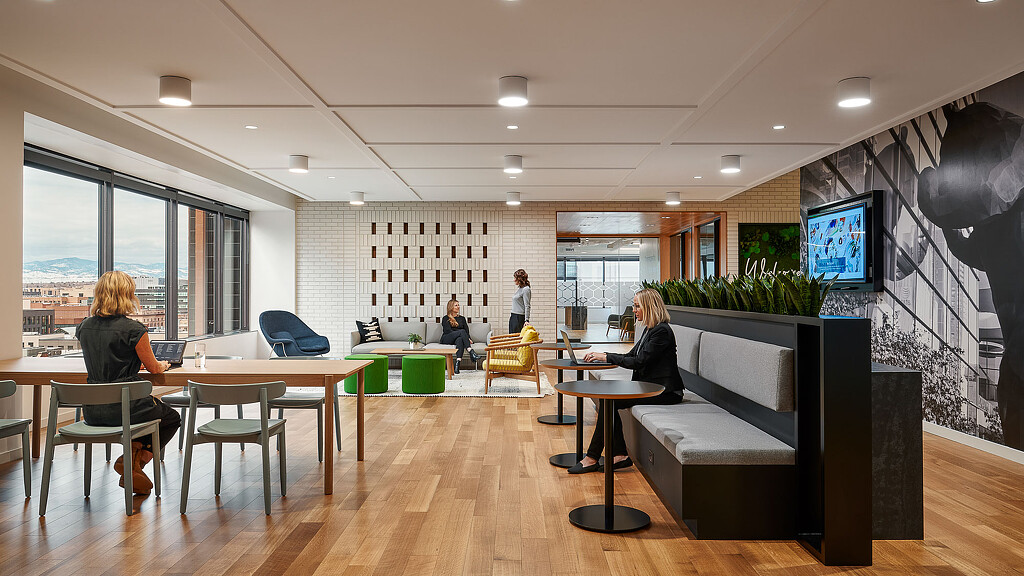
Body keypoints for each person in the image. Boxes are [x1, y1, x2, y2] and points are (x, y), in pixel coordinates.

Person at [77, 270, 181, 494]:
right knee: (170, 417)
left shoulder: (84, 327)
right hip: (127, 407)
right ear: (128, 295)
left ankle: (132, 461)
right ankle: (135, 461)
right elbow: (154, 368)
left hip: (93, 410)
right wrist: (162, 365)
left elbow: (105, 354)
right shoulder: (135, 329)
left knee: (148, 414)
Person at [568, 288, 684, 474]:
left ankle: (594, 457)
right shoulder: (650, 329)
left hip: (666, 392)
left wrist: (606, 357)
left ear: (649, 307)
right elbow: (631, 355)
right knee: (609, 400)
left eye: (637, 306)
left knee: (610, 400)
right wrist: (604, 355)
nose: (634, 309)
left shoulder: (661, 331)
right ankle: (615, 455)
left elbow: (638, 362)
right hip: (649, 387)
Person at [440, 299, 480, 374]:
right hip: (447, 338)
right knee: (461, 332)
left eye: (458, 305)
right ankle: (470, 351)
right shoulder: (446, 318)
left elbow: (466, 330)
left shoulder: (462, 318)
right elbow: (447, 331)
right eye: (456, 305)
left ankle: (457, 364)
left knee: (460, 340)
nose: (458, 307)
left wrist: (467, 338)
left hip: (458, 337)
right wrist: (463, 335)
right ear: (451, 307)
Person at [509, 268, 531, 333]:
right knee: (512, 339)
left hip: (519, 317)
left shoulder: (526, 289)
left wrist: (526, 320)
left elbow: (527, 305)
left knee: (517, 339)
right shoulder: (520, 289)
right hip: (513, 316)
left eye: (515, 278)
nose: (514, 280)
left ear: (519, 279)